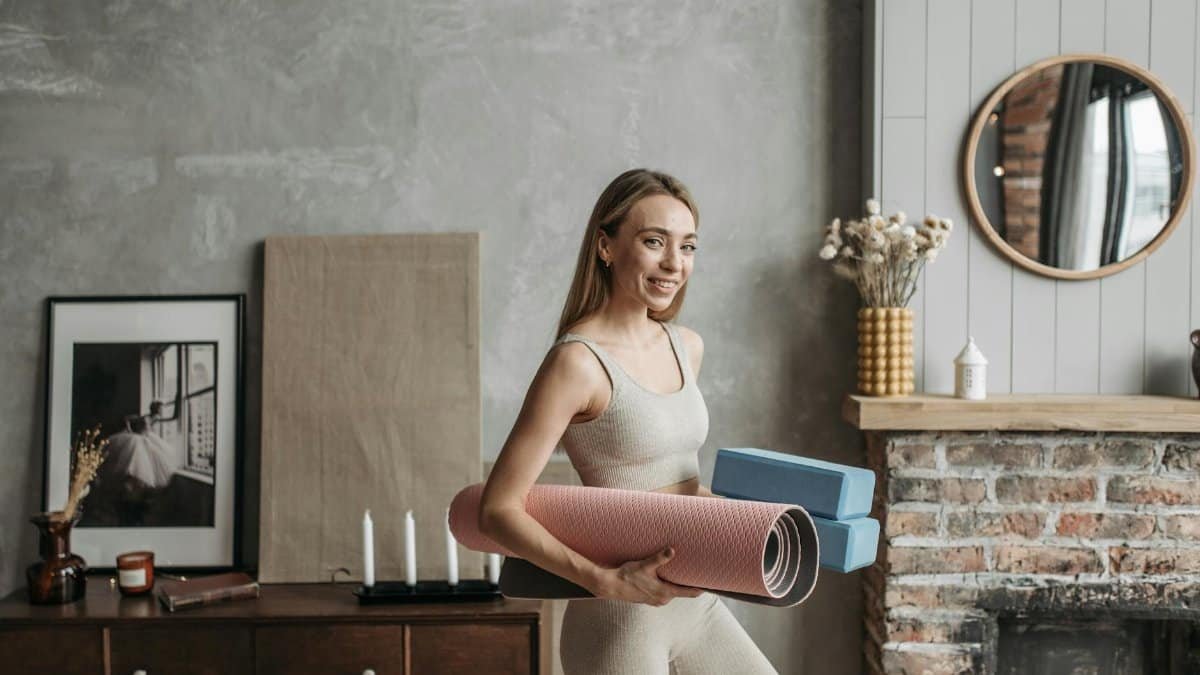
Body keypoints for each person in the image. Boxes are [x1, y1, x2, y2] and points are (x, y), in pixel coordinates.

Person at [478, 169, 778, 674]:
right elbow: (497, 510)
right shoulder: (576, 363)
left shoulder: (687, 347)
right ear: (606, 246)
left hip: (694, 605)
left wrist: (740, 522)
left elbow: (673, 481)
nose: (673, 264)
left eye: (687, 247)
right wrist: (602, 580)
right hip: (617, 617)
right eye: (654, 242)